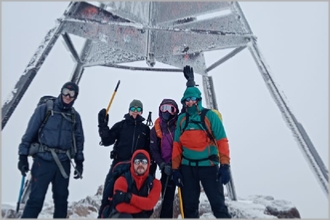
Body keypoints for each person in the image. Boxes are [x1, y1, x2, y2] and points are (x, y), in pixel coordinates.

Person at [17, 82, 85, 218]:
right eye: (66, 91)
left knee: (61, 201)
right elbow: (30, 133)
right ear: (61, 91)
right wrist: (23, 156)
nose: (67, 96)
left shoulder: (74, 116)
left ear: (75, 97)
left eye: (72, 94)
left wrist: (79, 161)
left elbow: (79, 140)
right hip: (43, 160)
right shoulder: (45, 109)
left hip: (63, 162)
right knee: (36, 199)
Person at [171, 66, 232, 218]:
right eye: (187, 100)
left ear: (198, 99)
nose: (189, 102)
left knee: (218, 205)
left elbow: (222, 141)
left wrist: (225, 165)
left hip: (209, 167)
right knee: (190, 207)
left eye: (192, 99)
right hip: (187, 168)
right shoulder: (182, 119)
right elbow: (177, 145)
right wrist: (175, 169)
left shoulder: (210, 116)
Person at [97, 99, 157, 218]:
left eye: (138, 109)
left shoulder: (145, 129)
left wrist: (151, 168)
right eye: (133, 109)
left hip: (138, 167)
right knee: (109, 192)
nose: (135, 112)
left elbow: (149, 149)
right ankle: (104, 215)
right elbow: (107, 140)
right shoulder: (121, 125)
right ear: (129, 110)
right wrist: (102, 125)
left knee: (138, 195)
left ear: (142, 112)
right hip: (119, 164)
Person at [107, 149, 162, 218]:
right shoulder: (122, 180)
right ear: (132, 163)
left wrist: (129, 198)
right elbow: (120, 207)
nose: (140, 164)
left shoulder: (155, 184)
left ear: (148, 164)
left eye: (144, 162)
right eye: (137, 161)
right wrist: (144, 208)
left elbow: (150, 204)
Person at [149, 98, 179, 218]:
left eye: (170, 109)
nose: (166, 112)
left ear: (175, 111)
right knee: (167, 198)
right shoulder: (156, 129)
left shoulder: (180, 124)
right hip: (166, 168)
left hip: (181, 165)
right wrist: (162, 165)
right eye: (163, 108)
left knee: (189, 198)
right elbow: (154, 150)